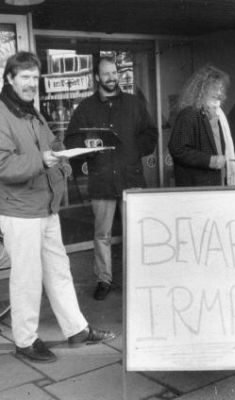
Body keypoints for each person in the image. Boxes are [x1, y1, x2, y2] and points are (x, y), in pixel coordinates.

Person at [0, 51, 115, 363]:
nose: (30, 84)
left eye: (34, 79)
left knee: (58, 269)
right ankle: (25, 340)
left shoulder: (30, 112)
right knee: (26, 276)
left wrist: (63, 154)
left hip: (45, 206)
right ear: (9, 78)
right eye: (24, 77)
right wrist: (43, 160)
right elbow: (3, 164)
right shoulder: (2, 114)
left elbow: (51, 143)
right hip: (19, 210)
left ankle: (76, 328)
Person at [66, 56, 157, 300]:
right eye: (106, 74)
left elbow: (151, 133)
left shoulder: (133, 104)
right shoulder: (85, 108)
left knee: (136, 231)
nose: (111, 78)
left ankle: (139, 277)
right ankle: (103, 279)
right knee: (102, 234)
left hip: (131, 177)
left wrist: (136, 150)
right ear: (97, 77)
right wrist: (88, 146)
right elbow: (71, 140)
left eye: (114, 73)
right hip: (102, 179)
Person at [168, 64, 235, 187]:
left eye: (221, 88)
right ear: (202, 89)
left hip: (218, 184)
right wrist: (211, 161)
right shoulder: (189, 114)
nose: (219, 93)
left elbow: (224, 149)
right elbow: (178, 149)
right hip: (197, 189)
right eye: (215, 88)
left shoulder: (218, 116)